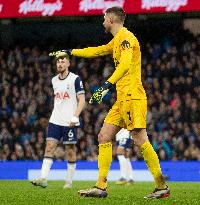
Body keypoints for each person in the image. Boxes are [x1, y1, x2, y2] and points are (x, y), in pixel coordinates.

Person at [51, 6, 170, 199]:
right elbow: (96, 51)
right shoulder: (116, 41)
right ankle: (101, 186)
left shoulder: (126, 38)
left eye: (104, 18)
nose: (103, 21)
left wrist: (107, 84)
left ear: (112, 20)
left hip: (133, 96)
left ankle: (161, 186)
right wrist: (71, 51)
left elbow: (124, 64)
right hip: (122, 99)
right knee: (104, 136)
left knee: (140, 139)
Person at [31, 53, 85, 188]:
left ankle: (69, 181)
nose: (59, 64)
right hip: (55, 120)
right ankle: (43, 178)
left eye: (62, 62)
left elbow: (82, 100)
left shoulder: (75, 79)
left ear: (68, 64)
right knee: (49, 147)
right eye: (58, 62)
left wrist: (75, 116)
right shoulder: (54, 80)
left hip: (70, 122)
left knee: (70, 151)